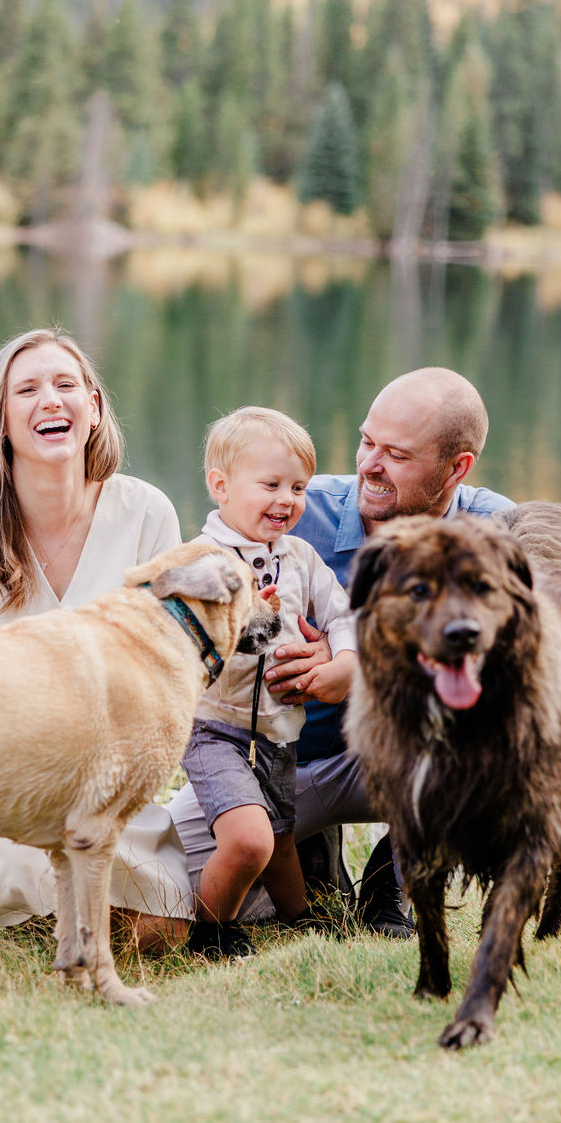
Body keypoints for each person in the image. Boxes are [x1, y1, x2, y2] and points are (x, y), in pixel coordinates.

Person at [164, 367, 514, 935]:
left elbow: (517, 669)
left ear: (458, 468)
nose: (369, 465)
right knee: (168, 882)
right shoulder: (295, 513)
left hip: (415, 759)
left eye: (396, 454)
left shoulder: (495, 530)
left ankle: (393, 883)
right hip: (277, 762)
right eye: (366, 441)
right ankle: (315, 865)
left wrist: (359, 659)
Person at [0, 326, 184, 928]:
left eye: (66, 385)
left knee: (163, 929)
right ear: (0, 420)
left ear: (93, 410)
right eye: (27, 390)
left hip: (103, 786)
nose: (51, 399)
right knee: (44, 896)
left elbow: (166, 674)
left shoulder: (147, 513)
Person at [182, 406, 356, 958]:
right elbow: (184, 641)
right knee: (249, 840)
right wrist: (242, 616)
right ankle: (210, 931)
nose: (288, 499)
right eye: (271, 484)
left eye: (299, 487)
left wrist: (346, 659)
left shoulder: (300, 557)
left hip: (279, 733)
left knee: (283, 841)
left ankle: (301, 923)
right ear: (221, 486)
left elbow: (342, 615)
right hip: (214, 728)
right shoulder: (203, 561)